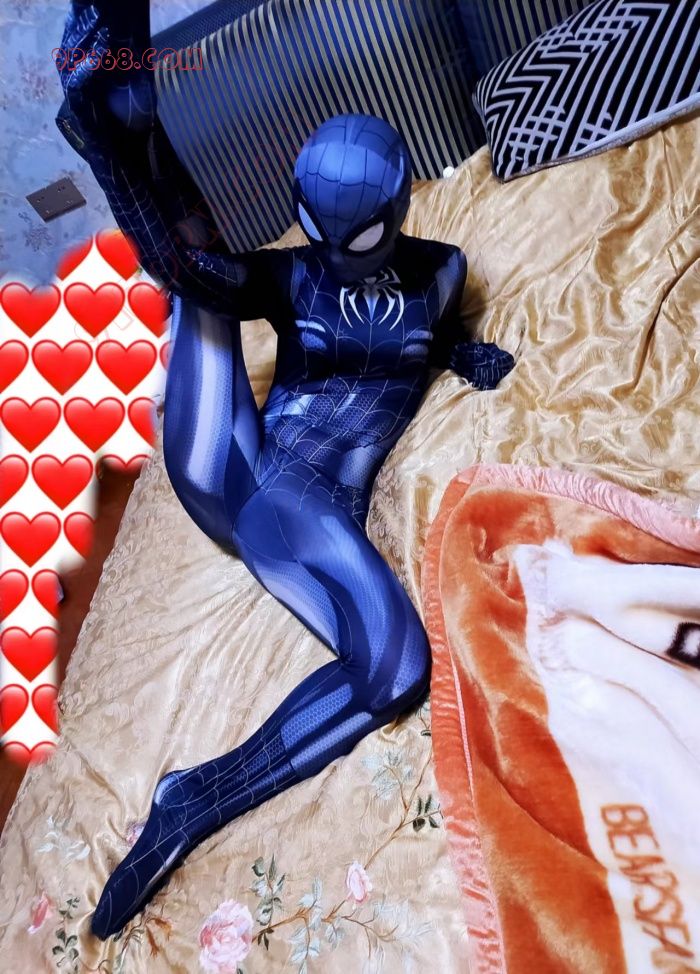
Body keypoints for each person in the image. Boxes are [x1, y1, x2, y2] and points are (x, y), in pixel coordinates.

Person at [56, 0, 514, 940]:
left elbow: (421, 339)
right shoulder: (292, 276)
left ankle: (192, 798)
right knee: (197, 285)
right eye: (314, 226)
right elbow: (197, 267)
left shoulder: (441, 272)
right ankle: (120, 124)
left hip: (299, 503)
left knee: (393, 670)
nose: (334, 254)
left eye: (360, 236)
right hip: (247, 472)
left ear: (399, 210)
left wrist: (460, 354)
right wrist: (127, 166)